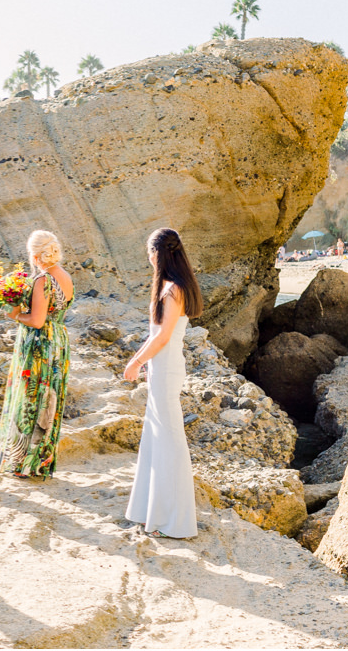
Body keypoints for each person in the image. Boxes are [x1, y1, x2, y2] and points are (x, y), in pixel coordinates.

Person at [123, 228, 204, 539]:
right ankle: (154, 513)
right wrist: (144, 361)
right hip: (164, 367)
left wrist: (135, 362)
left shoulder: (171, 290)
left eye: (149, 250)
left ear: (158, 253)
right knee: (158, 438)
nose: (147, 256)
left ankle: (174, 519)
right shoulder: (174, 287)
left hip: (167, 368)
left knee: (169, 441)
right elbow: (156, 337)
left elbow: (162, 337)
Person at [0, 231, 74, 479]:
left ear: (36, 254)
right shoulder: (65, 276)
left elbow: (37, 320)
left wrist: (14, 314)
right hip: (58, 341)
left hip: (40, 345)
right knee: (49, 401)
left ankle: (22, 465)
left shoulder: (43, 280)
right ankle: (41, 462)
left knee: (30, 400)